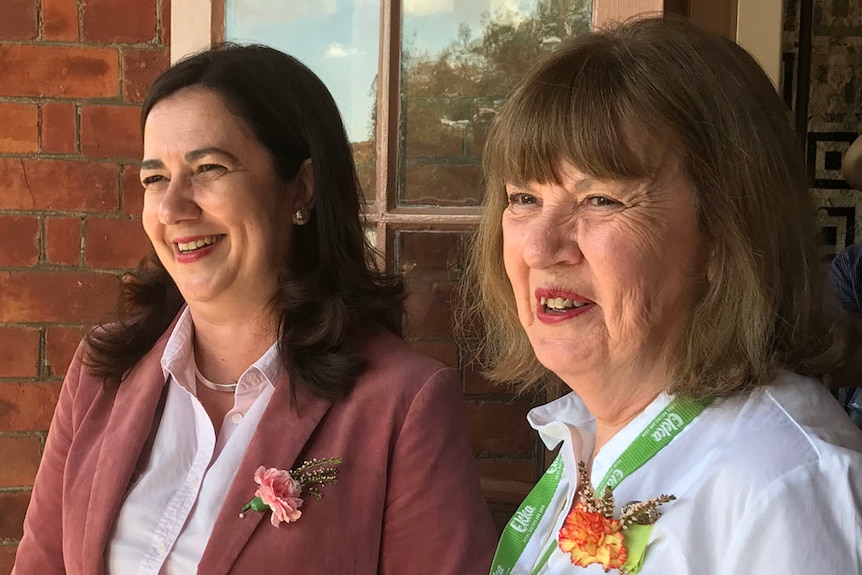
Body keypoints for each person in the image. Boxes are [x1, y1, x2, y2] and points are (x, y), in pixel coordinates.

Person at [14, 44, 496, 574]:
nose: (173, 207)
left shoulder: (401, 406)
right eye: (155, 178)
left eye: (209, 167)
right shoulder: (103, 370)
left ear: (302, 189)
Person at [465, 16, 862, 575]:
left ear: (725, 235)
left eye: (600, 199)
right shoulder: (590, 433)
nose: (539, 247)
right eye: (523, 197)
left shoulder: (785, 485)